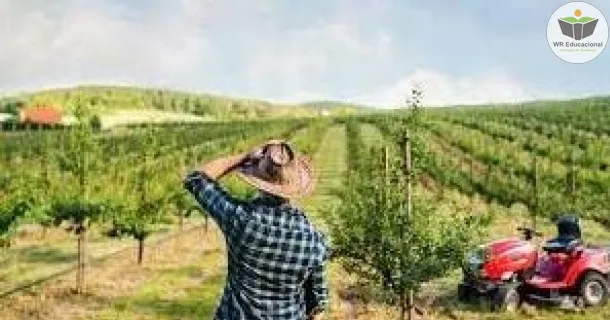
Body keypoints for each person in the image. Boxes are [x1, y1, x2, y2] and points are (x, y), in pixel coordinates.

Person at [183, 140, 329, 320]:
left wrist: (244, 157)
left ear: (258, 179)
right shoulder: (314, 242)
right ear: (295, 184)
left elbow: (196, 179)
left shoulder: (239, 218)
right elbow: (318, 304)